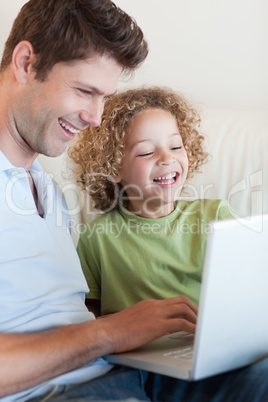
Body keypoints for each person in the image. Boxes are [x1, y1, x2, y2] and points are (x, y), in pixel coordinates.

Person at [0, 0, 267, 401]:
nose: (95, 116)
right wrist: (111, 331)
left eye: (104, 96)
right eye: (84, 91)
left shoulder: (45, 188)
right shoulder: (98, 233)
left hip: (129, 371)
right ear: (25, 63)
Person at [69, 87, 235, 317]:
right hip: (133, 351)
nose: (167, 159)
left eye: (176, 147)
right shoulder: (96, 239)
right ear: (114, 167)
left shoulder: (217, 216)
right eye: (147, 152)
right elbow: (89, 316)